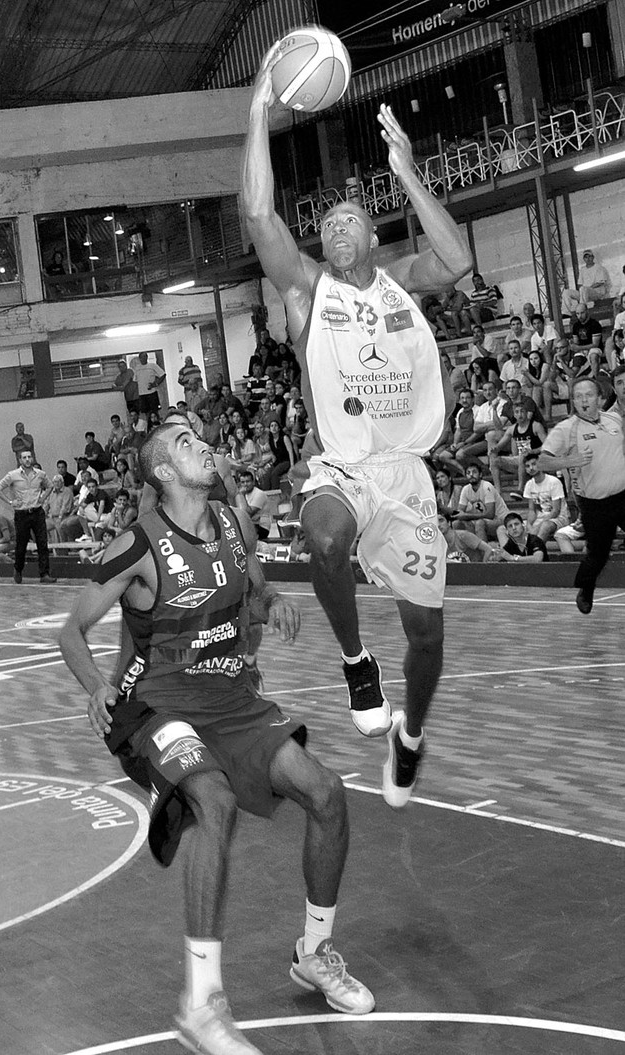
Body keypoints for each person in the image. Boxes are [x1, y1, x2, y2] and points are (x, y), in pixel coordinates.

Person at [59, 422, 374, 1055]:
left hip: (231, 701)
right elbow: (71, 630)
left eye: (199, 436)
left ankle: (314, 954)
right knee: (213, 800)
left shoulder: (232, 523)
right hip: (157, 706)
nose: (201, 443)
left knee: (327, 794)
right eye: (183, 441)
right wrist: (96, 684)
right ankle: (202, 1005)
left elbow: (250, 592)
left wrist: (272, 603)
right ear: (165, 473)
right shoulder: (138, 545)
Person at [243, 47, 472, 806]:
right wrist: (258, 112)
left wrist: (407, 171)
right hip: (341, 470)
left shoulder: (403, 283)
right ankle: (353, 661)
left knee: (429, 639)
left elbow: (458, 257)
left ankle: (411, 736)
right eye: (329, 223)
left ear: (373, 238)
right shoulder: (309, 291)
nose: (338, 228)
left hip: (406, 475)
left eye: (352, 220)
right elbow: (257, 214)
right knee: (325, 537)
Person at [537, 373, 625, 613]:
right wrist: (569, 460)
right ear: (573, 402)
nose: (583, 400)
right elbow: (542, 463)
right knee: (598, 555)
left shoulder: (614, 420)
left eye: (588, 395)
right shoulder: (566, 429)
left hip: (623, 496)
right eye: (578, 396)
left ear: (599, 398)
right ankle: (586, 589)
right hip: (595, 503)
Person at [0, 450, 57, 584]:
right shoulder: (12, 475)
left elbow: (50, 486)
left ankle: (44, 574)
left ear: (32, 458)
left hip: (37, 512)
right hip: (22, 514)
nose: (27, 459)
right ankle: (18, 569)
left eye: (29, 457)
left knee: (42, 543)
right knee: (21, 545)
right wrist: (11, 502)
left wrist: (42, 498)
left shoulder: (40, 474)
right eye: (24, 458)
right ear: (20, 460)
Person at [522, 452, 569, 543]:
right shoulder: (529, 485)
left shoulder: (554, 481)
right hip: (540, 518)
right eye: (527, 466)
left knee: (545, 526)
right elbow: (532, 511)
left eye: (534, 464)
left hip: (558, 519)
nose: (531, 468)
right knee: (511, 527)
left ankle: (535, 552)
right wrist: (529, 525)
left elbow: (556, 511)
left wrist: (537, 526)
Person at [133, 351, 165, 421]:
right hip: (142, 394)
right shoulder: (137, 368)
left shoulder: (152, 366)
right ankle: (149, 426)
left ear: (147, 357)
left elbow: (162, 374)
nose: (143, 358)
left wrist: (155, 384)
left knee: (155, 412)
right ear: (139, 358)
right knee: (146, 413)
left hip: (152, 393)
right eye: (141, 357)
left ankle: (157, 424)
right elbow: (135, 380)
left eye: (145, 356)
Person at [44, 474, 74, 542]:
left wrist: (60, 517)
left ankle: (62, 548)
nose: (56, 483)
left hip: (64, 517)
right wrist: (43, 515)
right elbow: (46, 505)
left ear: (62, 483)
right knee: (39, 526)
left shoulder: (67, 491)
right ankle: (47, 546)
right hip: (51, 518)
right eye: (55, 482)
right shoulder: (51, 492)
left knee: (59, 525)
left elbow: (65, 507)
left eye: (59, 481)